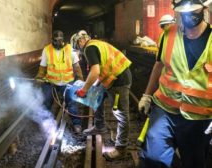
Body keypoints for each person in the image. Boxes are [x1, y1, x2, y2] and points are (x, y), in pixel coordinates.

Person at [138, 0, 212, 167]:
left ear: (204, 9)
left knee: (194, 162)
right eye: (184, 12)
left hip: (199, 117)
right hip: (165, 110)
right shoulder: (168, 34)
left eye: (194, 11)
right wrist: (147, 95)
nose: (188, 16)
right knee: (153, 157)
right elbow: (159, 65)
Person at [73, 30, 132, 161]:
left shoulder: (89, 48)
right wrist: (94, 86)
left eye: (78, 47)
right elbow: (103, 66)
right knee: (95, 96)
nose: (79, 50)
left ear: (81, 41)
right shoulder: (96, 44)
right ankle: (99, 126)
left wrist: (84, 89)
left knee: (121, 114)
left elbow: (95, 71)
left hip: (119, 81)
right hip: (112, 77)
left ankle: (121, 148)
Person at [35, 30, 84, 133]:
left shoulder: (69, 49)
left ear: (63, 40)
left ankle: (77, 124)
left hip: (67, 82)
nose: (58, 42)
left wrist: (80, 80)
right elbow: (42, 67)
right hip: (51, 82)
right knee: (47, 102)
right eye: (56, 40)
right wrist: (39, 78)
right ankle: (46, 123)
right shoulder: (47, 50)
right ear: (52, 40)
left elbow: (76, 66)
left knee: (71, 103)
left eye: (60, 40)